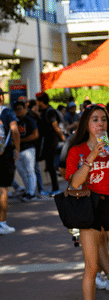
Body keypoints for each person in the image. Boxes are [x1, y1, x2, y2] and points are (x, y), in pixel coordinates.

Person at [65, 103, 109, 300]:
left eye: (104, 119)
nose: (100, 124)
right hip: (88, 206)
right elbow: (75, 182)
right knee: (92, 266)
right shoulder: (76, 150)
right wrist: (92, 155)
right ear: (86, 124)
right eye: (95, 120)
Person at [36, 92, 66, 196]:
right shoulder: (43, 111)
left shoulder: (50, 111)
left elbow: (55, 125)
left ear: (41, 101)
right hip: (46, 141)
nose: (36, 103)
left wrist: (62, 137)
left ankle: (56, 188)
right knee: (49, 165)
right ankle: (54, 188)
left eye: (38, 101)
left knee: (50, 165)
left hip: (51, 140)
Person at [0, 87, 20, 234]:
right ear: (1, 97)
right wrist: (17, 148)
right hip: (3, 155)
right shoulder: (6, 112)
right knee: (3, 189)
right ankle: (2, 224)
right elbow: (14, 130)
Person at [12, 101, 39, 201]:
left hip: (28, 149)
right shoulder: (13, 121)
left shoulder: (29, 120)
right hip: (17, 150)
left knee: (30, 171)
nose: (18, 112)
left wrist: (19, 140)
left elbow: (35, 135)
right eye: (16, 110)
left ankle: (31, 193)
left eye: (20, 109)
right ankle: (28, 192)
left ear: (25, 109)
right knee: (22, 172)